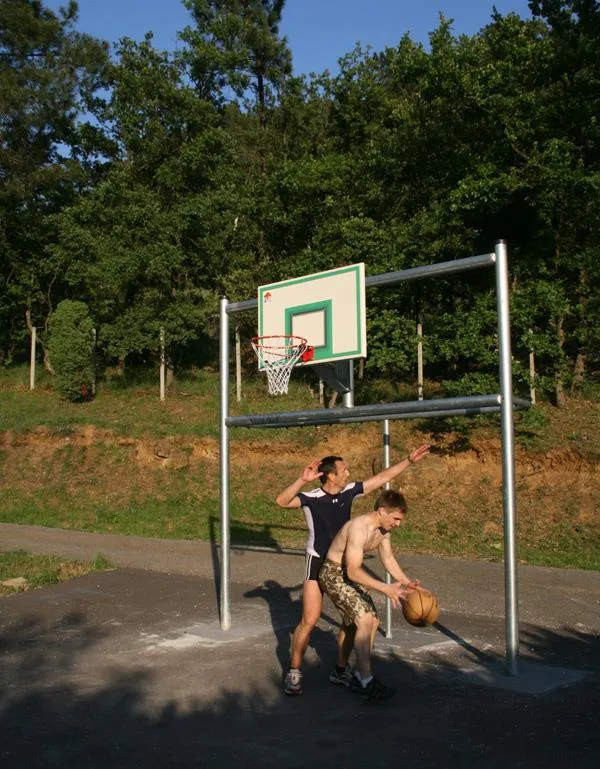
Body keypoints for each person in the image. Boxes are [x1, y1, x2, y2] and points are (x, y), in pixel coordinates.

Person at [275, 443, 429, 695]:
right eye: (344, 470)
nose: (348, 473)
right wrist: (302, 480)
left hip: (344, 560)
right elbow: (282, 501)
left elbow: (382, 479)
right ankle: (294, 671)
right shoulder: (312, 497)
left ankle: (341, 669)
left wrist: (409, 461)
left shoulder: (348, 492)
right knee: (310, 620)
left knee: (352, 620)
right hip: (318, 561)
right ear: (331, 476)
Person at [318, 488, 418, 702]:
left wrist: (407, 583)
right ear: (382, 511)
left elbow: (388, 558)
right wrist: (386, 588)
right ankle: (365, 680)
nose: (398, 523)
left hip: (348, 575)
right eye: (396, 518)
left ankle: (346, 672)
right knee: (364, 619)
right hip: (333, 574)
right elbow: (353, 571)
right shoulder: (359, 528)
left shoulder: (383, 531)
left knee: (372, 621)